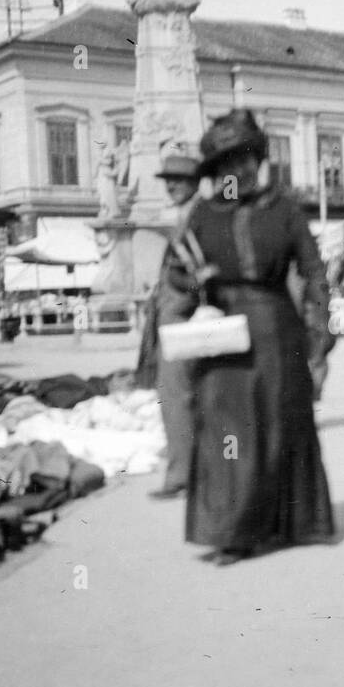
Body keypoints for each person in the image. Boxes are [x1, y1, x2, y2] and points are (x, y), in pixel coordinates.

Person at [167, 110, 334, 564]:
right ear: (215, 173)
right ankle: (232, 531)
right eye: (226, 165)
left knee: (280, 423)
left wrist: (320, 330)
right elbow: (175, 273)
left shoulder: (285, 210)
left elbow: (314, 271)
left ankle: (291, 522)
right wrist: (191, 278)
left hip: (277, 329)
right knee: (227, 429)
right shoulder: (201, 214)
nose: (237, 172)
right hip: (220, 332)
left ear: (258, 162)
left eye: (245, 161)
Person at [136, 151, 203, 499]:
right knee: (178, 398)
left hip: (184, 319)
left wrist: (178, 285)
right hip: (174, 316)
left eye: (179, 180)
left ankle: (182, 476)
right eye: (168, 180)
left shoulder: (198, 217)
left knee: (176, 398)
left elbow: (202, 274)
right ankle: (188, 472)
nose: (172, 186)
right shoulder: (186, 216)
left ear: (195, 182)